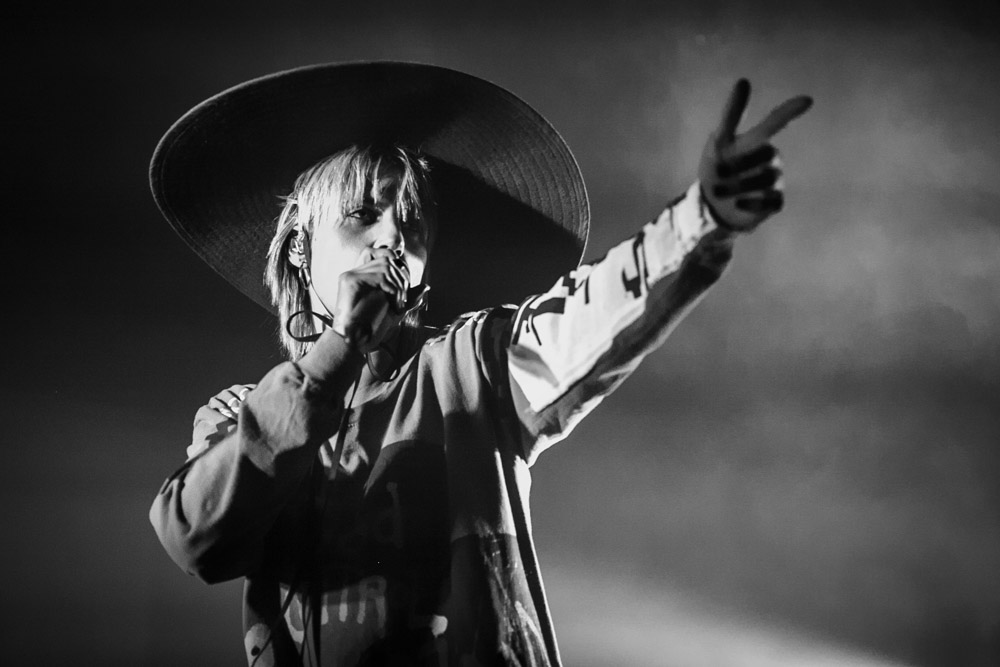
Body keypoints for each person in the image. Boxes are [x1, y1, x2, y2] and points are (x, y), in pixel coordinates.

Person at [149, 62, 811, 666]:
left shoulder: (474, 364)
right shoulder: (238, 418)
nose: (391, 240)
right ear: (299, 248)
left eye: (411, 223)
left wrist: (700, 220)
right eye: (362, 214)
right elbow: (197, 538)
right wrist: (337, 351)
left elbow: (589, 319)